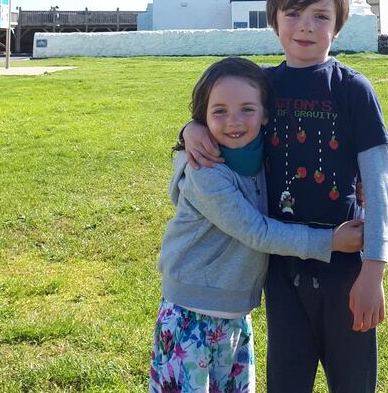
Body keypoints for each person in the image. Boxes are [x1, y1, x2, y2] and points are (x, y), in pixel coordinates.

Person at [182, 0, 388, 393]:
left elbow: (380, 182)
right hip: (282, 270)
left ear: (338, 26)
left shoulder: (353, 89)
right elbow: (221, 114)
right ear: (274, 20)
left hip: (346, 265)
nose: (306, 26)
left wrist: (374, 270)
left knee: (354, 382)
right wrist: (190, 129)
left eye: (320, 16)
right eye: (293, 13)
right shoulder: (262, 85)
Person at [151, 57, 365, 393]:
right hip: (189, 314)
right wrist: (330, 241)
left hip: (235, 314)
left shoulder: (265, 155)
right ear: (203, 118)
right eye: (218, 111)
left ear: (266, 114)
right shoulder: (206, 172)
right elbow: (257, 231)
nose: (233, 121)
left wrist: (357, 172)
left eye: (247, 110)